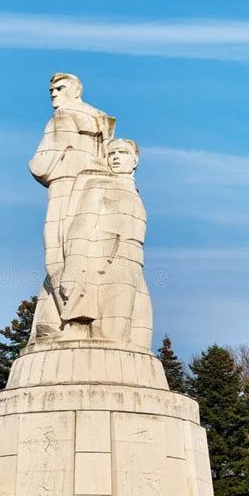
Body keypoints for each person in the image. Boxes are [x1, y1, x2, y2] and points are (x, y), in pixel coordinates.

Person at [28, 73, 115, 341]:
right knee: (85, 249)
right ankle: (56, 317)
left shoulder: (61, 119)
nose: (53, 93)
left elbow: (39, 165)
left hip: (65, 186)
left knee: (58, 252)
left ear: (76, 90)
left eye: (59, 88)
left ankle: (68, 316)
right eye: (51, 89)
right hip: (98, 189)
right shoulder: (100, 119)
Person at [58, 139, 153, 349]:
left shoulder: (135, 193)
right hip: (110, 262)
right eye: (112, 153)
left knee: (140, 338)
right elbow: (81, 225)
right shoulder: (98, 184)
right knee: (111, 335)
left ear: (135, 159)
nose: (116, 157)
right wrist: (73, 268)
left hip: (136, 263)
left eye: (123, 152)